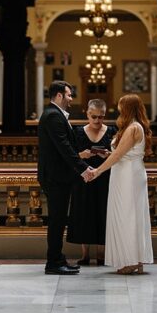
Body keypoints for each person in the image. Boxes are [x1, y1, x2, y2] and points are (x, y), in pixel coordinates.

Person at [86, 93, 154, 275]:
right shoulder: (133, 127)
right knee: (129, 215)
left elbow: (118, 156)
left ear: (128, 109)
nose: (117, 110)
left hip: (129, 175)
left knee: (128, 216)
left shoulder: (133, 128)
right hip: (126, 172)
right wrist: (107, 155)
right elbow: (119, 154)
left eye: (121, 107)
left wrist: (97, 171)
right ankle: (135, 259)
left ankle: (131, 260)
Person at [37, 80, 90, 275]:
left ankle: (58, 259)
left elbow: (67, 147)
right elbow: (64, 148)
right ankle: (53, 262)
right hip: (55, 177)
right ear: (59, 95)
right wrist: (83, 169)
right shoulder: (53, 116)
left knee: (59, 219)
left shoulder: (55, 114)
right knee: (57, 220)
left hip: (58, 176)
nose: (71, 98)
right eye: (68, 94)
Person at [67, 98, 114, 266]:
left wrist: (107, 155)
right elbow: (69, 155)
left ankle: (101, 254)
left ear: (104, 115)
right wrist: (82, 155)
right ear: (87, 114)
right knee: (83, 212)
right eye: (93, 116)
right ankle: (85, 254)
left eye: (100, 117)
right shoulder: (77, 132)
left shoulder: (111, 131)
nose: (96, 121)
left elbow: (118, 155)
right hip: (82, 178)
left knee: (103, 211)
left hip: (104, 177)